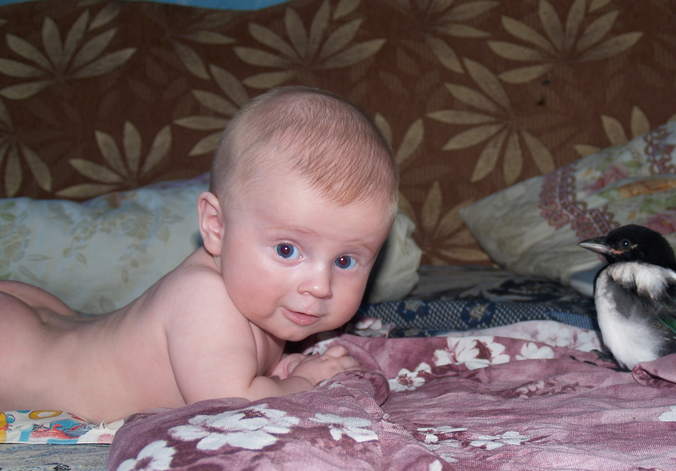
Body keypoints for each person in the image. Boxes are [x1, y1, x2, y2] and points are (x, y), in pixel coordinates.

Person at [0, 86, 399, 423]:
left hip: (48, 322)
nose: (319, 286)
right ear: (215, 226)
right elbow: (232, 405)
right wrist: (305, 380)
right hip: (15, 354)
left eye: (345, 261)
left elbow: (234, 367)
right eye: (287, 249)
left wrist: (278, 371)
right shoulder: (204, 299)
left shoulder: (262, 302)